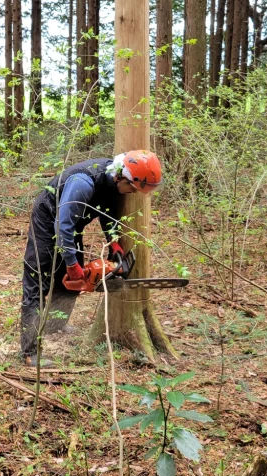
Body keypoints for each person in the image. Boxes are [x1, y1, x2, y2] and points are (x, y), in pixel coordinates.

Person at [20, 150, 162, 366]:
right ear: (121, 176)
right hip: (49, 220)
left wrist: (113, 242)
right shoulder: (83, 183)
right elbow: (63, 224)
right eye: (132, 188)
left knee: (72, 283)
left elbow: (108, 213)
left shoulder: (114, 184)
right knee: (38, 279)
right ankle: (29, 352)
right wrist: (71, 264)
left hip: (72, 224)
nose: (132, 193)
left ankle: (56, 324)